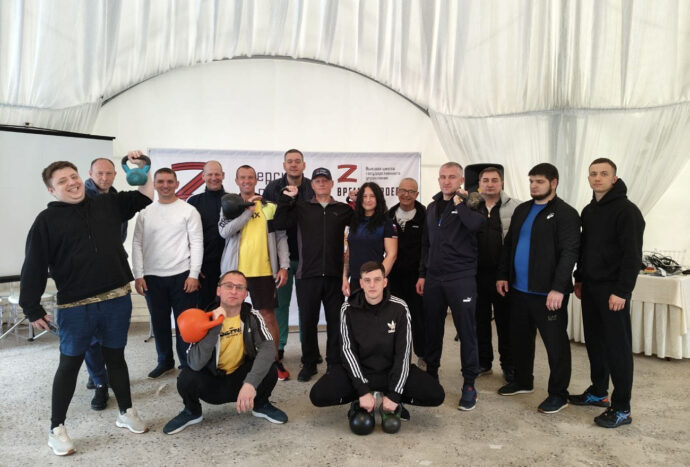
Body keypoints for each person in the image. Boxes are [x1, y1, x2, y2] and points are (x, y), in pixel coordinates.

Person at [20, 153, 153, 456]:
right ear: (52, 190)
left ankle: (126, 411)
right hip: (75, 307)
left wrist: (142, 166)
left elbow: (146, 195)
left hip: (116, 299)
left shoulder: (107, 204)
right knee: (69, 365)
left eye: (74, 176)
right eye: (62, 181)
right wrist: (31, 307)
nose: (72, 183)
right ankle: (56, 428)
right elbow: (34, 265)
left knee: (116, 358)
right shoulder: (46, 221)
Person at [310, 261, 444, 428]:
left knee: (436, 395)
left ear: (385, 282)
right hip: (361, 371)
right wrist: (362, 391)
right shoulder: (347, 309)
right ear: (361, 283)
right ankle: (359, 401)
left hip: (390, 372)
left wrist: (395, 394)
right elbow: (347, 351)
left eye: (377, 280)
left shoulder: (400, 308)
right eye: (367, 280)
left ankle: (393, 402)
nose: (372, 285)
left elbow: (403, 355)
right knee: (318, 395)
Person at [496, 163, 580, 414]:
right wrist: (503, 275)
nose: (534, 186)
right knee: (520, 339)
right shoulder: (522, 209)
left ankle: (559, 394)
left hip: (548, 294)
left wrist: (558, 288)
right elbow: (509, 245)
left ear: (554, 183)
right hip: (519, 290)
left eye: (539, 181)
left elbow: (569, 253)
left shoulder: (566, 213)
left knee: (556, 346)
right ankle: (523, 381)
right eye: (531, 181)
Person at [163, 270, 288, 434]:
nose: (234, 291)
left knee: (270, 369)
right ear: (218, 290)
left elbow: (268, 348)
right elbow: (195, 363)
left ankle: (261, 404)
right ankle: (192, 411)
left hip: (241, 382)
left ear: (246, 294)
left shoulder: (253, 316)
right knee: (186, 378)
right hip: (212, 385)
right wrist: (215, 327)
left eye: (240, 287)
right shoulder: (203, 318)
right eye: (229, 286)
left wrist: (250, 383)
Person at [570, 158, 644, 428]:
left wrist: (622, 291)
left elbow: (632, 256)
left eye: (603, 173)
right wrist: (579, 278)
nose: (597, 178)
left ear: (614, 178)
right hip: (590, 288)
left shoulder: (627, 211)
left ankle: (622, 408)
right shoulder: (589, 211)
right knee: (595, 343)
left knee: (617, 349)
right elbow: (584, 249)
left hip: (614, 291)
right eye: (593, 173)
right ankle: (599, 392)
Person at [416, 162, 485, 411]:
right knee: (432, 330)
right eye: (443, 177)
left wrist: (459, 204)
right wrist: (423, 274)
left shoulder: (472, 202)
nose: (447, 181)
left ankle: (469, 384)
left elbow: (476, 225)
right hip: (434, 279)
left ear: (461, 180)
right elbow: (426, 244)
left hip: (460, 278)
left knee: (466, 331)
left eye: (452, 177)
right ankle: (431, 375)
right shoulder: (432, 207)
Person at [274, 167, 353, 382]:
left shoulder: (342, 209)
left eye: (325, 180)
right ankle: (309, 363)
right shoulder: (302, 207)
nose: (321, 184)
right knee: (308, 321)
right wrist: (286, 199)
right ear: (312, 185)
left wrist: (353, 201)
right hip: (307, 274)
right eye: (317, 180)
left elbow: (360, 225)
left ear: (332, 184)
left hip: (335, 275)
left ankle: (334, 363)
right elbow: (279, 222)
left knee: (335, 322)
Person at [218, 165, 290, 379]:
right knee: (231, 317)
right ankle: (234, 360)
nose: (247, 181)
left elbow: (281, 238)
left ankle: (274, 362)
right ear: (236, 180)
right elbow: (225, 232)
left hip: (264, 271)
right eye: (242, 177)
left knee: (268, 317)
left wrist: (284, 266)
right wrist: (247, 211)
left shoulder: (269, 207)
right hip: (235, 273)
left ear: (256, 180)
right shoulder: (229, 205)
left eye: (250, 177)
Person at [132, 167, 203, 378]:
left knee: (185, 324)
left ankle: (186, 363)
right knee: (159, 322)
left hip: (182, 276)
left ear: (177, 184)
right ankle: (164, 362)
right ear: (154, 184)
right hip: (152, 277)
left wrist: (194, 274)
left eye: (169, 181)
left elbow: (197, 243)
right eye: (161, 181)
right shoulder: (145, 212)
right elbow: (136, 243)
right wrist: (138, 274)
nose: (165, 185)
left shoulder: (188, 210)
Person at [82, 157, 130, 410]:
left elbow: (119, 236)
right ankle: (100, 382)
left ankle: (106, 375)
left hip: (114, 273)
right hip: (87, 276)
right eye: (99, 173)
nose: (104, 178)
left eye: (109, 173)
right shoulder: (80, 198)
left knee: (113, 334)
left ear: (115, 175)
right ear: (90, 173)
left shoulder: (117, 200)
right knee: (91, 336)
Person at [263, 149, 314, 362]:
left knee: (306, 306)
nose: (293, 164)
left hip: (307, 257)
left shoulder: (312, 187)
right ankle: (281, 345)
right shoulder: (272, 188)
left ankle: (307, 347)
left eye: (297, 161)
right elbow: (267, 222)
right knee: (280, 305)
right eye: (290, 161)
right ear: (284, 165)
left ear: (303, 165)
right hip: (280, 259)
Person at [473, 167, 520, 382]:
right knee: (480, 321)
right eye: (485, 180)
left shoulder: (516, 207)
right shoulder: (471, 207)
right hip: (476, 275)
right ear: (479, 184)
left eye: (494, 180)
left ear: (501, 183)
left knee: (505, 322)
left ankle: (509, 365)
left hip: (504, 276)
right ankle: (484, 362)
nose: (490, 184)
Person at [387, 178, 427, 367]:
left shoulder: (425, 216)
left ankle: (422, 354)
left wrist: (423, 275)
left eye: (411, 191)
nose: (406, 194)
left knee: (419, 318)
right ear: (397, 191)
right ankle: (397, 356)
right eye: (403, 190)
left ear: (417, 194)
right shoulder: (388, 216)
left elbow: (428, 248)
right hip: (393, 277)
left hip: (417, 278)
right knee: (394, 318)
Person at [342, 181, 398, 296]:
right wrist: (345, 278)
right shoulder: (354, 221)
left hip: (375, 284)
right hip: (356, 282)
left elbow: (392, 255)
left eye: (372, 196)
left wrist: (377, 279)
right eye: (364, 196)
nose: (368, 200)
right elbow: (348, 254)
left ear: (378, 199)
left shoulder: (386, 222)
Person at [187, 161, 227, 309]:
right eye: (210, 174)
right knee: (204, 310)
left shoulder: (233, 200)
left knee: (229, 311)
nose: (214, 178)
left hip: (230, 266)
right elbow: (187, 238)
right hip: (204, 269)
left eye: (217, 174)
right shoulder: (193, 202)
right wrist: (194, 268)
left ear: (223, 175)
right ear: (203, 176)